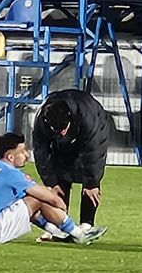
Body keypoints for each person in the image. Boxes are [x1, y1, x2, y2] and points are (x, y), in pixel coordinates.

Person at [0, 132, 108, 245]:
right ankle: (79, 234)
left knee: (26, 202)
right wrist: (59, 204)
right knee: (37, 199)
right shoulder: (10, 173)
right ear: (10, 157)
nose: (27, 155)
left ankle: (59, 233)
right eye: (23, 151)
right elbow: (50, 198)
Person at [31, 89, 110, 229]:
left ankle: (86, 224)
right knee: (59, 179)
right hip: (64, 140)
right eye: (57, 130)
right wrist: (51, 183)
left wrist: (91, 183)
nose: (62, 132)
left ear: (69, 118)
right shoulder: (41, 121)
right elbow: (41, 153)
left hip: (93, 131)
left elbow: (94, 153)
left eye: (63, 128)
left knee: (90, 188)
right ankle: (59, 225)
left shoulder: (89, 119)